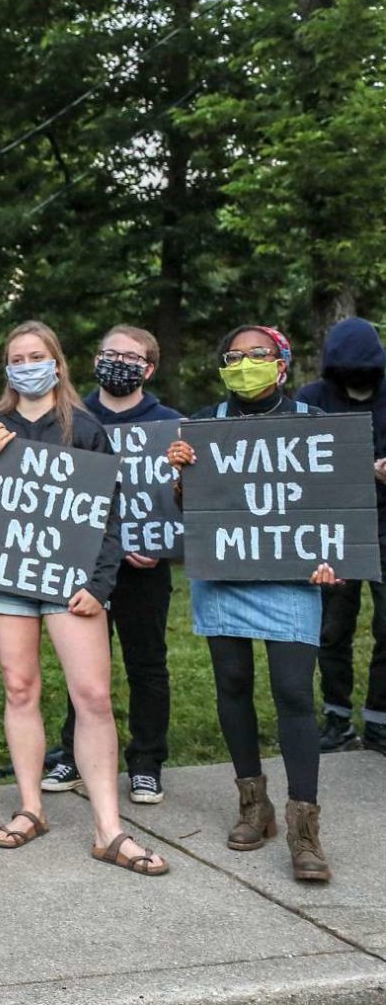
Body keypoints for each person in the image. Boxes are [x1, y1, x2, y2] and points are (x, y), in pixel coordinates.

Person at [0, 321, 168, 876]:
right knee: (19, 688)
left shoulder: (87, 429)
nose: (27, 364)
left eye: (36, 355)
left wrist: (99, 585)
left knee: (92, 695)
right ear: (6, 367)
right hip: (6, 580)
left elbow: (109, 516)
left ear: (56, 363)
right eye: (16, 357)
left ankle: (109, 829)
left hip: (71, 584)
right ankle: (31, 807)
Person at [168, 324, 341, 882]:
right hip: (225, 576)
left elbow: (335, 510)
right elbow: (193, 510)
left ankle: (305, 828)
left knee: (294, 692)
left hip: (292, 580)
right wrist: (181, 477)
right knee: (232, 685)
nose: (245, 364)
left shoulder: (317, 428)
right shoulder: (205, 427)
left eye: (257, 355)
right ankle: (253, 804)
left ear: (282, 363)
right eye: (234, 356)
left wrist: (330, 554)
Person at [43, 327, 183, 804]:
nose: (119, 362)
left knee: (147, 664)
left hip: (147, 566)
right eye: (110, 354)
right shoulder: (71, 419)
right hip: (84, 564)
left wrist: (166, 543)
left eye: (131, 356)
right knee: (81, 668)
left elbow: (188, 499)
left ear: (149, 368)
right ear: (95, 359)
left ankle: (146, 762)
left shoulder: (172, 423)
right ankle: (71, 756)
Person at [294, 317, 386, 756]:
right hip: (334, 530)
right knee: (333, 627)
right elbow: (294, 462)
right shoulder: (312, 399)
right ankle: (335, 716)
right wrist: (363, 468)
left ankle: (380, 719)